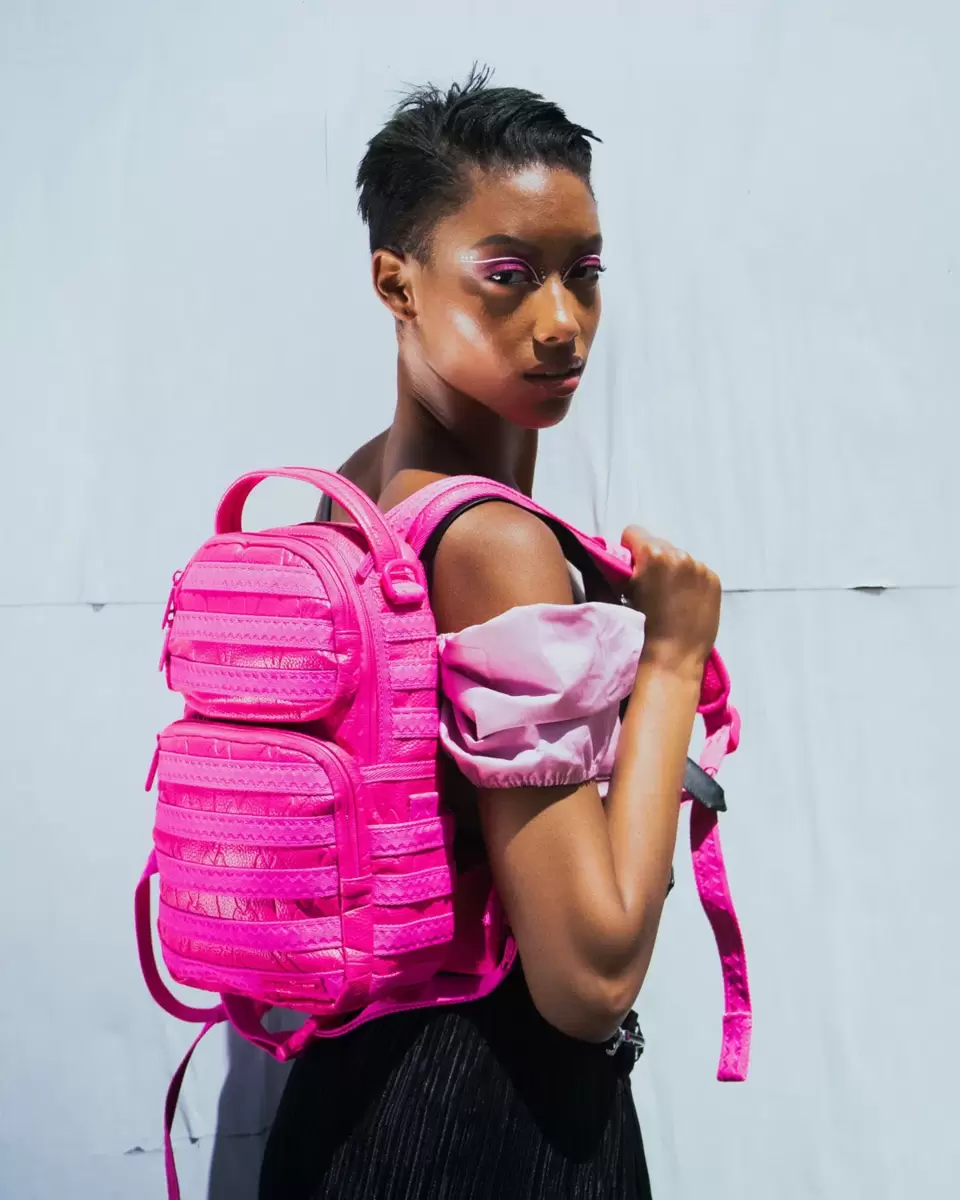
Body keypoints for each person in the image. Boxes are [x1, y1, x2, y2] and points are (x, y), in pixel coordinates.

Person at [259, 69, 721, 1200]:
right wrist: (671, 659)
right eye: (507, 277)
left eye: (584, 273)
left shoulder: (353, 495)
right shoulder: (491, 543)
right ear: (397, 283)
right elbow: (589, 980)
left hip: (342, 1101)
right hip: (488, 1124)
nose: (561, 323)